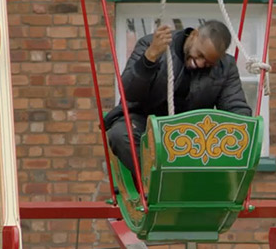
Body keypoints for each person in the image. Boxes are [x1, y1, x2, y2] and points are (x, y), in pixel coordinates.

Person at [103, 20, 252, 180]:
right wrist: (150, 57)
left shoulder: (226, 67)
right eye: (200, 55)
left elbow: (236, 107)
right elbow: (128, 92)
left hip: (191, 134)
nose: (200, 64)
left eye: (208, 63)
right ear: (194, 35)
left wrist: (244, 131)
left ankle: (188, 184)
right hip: (144, 121)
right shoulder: (152, 45)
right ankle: (156, 184)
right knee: (120, 135)